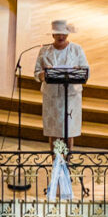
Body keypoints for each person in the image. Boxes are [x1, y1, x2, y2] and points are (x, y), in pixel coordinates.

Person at [34, 20, 89, 150]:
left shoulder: (76, 49)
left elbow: (86, 70)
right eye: (58, 34)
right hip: (52, 96)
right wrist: (44, 74)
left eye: (64, 34)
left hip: (70, 96)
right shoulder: (44, 51)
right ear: (53, 35)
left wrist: (76, 70)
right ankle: (56, 163)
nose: (61, 37)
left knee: (69, 129)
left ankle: (66, 162)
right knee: (54, 130)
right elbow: (36, 73)